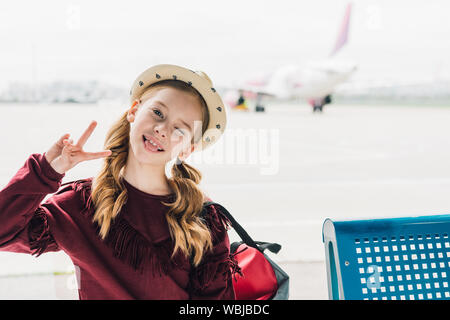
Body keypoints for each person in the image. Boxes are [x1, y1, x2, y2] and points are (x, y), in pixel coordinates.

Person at [0, 64, 241, 300]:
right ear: (134, 110)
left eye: (180, 129)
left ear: (187, 149)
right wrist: (46, 171)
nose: (163, 130)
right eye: (158, 113)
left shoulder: (203, 219)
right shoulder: (80, 204)